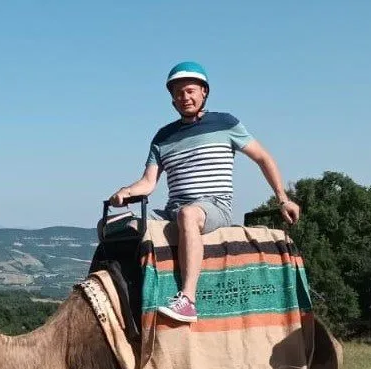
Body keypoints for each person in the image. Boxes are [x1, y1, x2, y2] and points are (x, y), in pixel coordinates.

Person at [108, 61, 300, 323]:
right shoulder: (162, 137)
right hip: (171, 209)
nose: (184, 97)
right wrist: (125, 192)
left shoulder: (226, 123)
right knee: (112, 224)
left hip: (214, 206)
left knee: (188, 215)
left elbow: (264, 158)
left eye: (189, 91)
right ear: (172, 99)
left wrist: (283, 199)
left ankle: (187, 300)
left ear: (203, 92)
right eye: (178, 93)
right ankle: (121, 301)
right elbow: (148, 182)